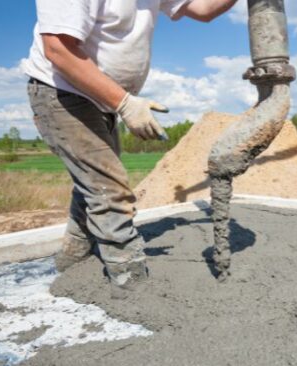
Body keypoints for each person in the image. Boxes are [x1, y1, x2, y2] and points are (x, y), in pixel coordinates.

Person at [24, 0, 237, 298]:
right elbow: (58, 48)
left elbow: (202, 9)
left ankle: (72, 262)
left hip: (100, 98)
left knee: (93, 185)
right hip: (62, 92)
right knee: (109, 191)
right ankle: (133, 287)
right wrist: (124, 103)